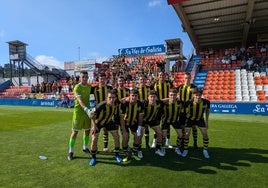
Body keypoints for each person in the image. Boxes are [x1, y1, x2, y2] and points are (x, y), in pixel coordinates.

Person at [88, 90, 122, 166]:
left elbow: (124, 100)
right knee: (94, 139)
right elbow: (91, 114)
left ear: (116, 98)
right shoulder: (101, 105)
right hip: (98, 122)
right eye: (110, 98)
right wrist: (93, 126)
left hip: (109, 121)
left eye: (113, 98)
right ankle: (93, 157)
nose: (111, 100)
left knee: (117, 137)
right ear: (107, 98)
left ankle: (117, 154)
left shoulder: (117, 103)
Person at [67, 71, 91, 161]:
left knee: (87, 130)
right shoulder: (77, 87)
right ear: (80, 78)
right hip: (79, 112)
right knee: (75, 132)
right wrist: (86, 109)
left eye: (86, 77)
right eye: (83, 77)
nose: (84, 78)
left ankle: (85, 147)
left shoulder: (89, 87)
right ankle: (71, 151)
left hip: (87, 112)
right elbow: (80, 101)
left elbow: (91, 98)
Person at [181, 89, 210, 158]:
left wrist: (207, 121)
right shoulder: (189, 102)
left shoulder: (206, 102)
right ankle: (185, 149)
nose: (198, 97)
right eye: (196, 95)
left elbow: (207, 111)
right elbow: (182, 110)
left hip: (200, 119)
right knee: (187, 134)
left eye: (199, 95)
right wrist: (183, 120)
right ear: (193, 95)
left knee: (205, 134)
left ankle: (205, 150)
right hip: (190, 119)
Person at [91, 73, 113, 152]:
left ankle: (105, 147)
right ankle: (94, 148)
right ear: (98, 80)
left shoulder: (110, 88)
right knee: (95, 133)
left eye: (104, 79)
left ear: (106, 80)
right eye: (100, 79)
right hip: (97, 113)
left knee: (105, 130)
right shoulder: (94, 89)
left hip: (108, 113)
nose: (102, 80)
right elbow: (89, 98)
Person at [120, 89, 144, 161]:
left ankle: (134, 152)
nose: (134, 97)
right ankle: (125, 153)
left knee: (138, 135)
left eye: (135, 96)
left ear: (138, 96)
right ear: (129, 96)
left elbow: (140, 117)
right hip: (125, 123)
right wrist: (124, 130)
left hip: (134, 122)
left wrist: (139, 128)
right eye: (132, 95)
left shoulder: (140, 104)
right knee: (125, 137)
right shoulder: (125, 104)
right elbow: (121, 118)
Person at [177, 72, 198, 150]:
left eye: (188, 78)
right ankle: (182, 142)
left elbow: (197, 97)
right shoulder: (180, 87)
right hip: (182, 111)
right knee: (182, 127)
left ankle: (195, 142)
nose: (187, 79)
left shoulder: (194, 87)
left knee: (193, 127)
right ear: (183, 78)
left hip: (192, 111)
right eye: (186, 78)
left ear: (191, 78)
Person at [142, 90, 165, 156]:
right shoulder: (144, 103)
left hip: (152, 120)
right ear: (148, 97)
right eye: (151, 97)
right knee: (140, 134)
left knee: (160, 133)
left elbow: (165, 101)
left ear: (156, 97)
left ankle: (158, 149)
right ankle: (139, 150)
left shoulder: (159, 103)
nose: (152, 98)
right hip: (144, 120)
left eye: (154, 97)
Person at [152, 71, 173, 148]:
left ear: (165, 76)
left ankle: (168, 140)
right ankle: (155, 140)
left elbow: (173, 93)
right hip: (157, 107)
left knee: (167, 123)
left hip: (167, 106)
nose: (161, 76)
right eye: (160, 75)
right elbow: (151, 94)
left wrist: (165, 99)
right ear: (158, 76)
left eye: (163, 75)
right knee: (156, 124)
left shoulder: (169, 83)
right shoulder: (154, 84)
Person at [162, 89, 184, 156]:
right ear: (169, 95)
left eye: (174, 95)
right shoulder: (164, 103)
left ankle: (177, 148)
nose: (172, 96)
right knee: (163, 135)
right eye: (171, 95)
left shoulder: (180, 103)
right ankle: (162, 148)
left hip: (175, 121)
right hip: (166, 121)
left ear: (176, 95)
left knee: (180, 135)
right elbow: (157, 101)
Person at [136, 74, 151, 149]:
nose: (142, 81)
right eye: (141, 79)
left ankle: (147, 144)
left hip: (147, 111)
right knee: (139, 129)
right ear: (138, 80)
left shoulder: (149, 88)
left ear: (146, 80)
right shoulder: (136, 89)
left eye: (143, 79)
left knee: (146, 127)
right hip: (138, 112)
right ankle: (138, 145)